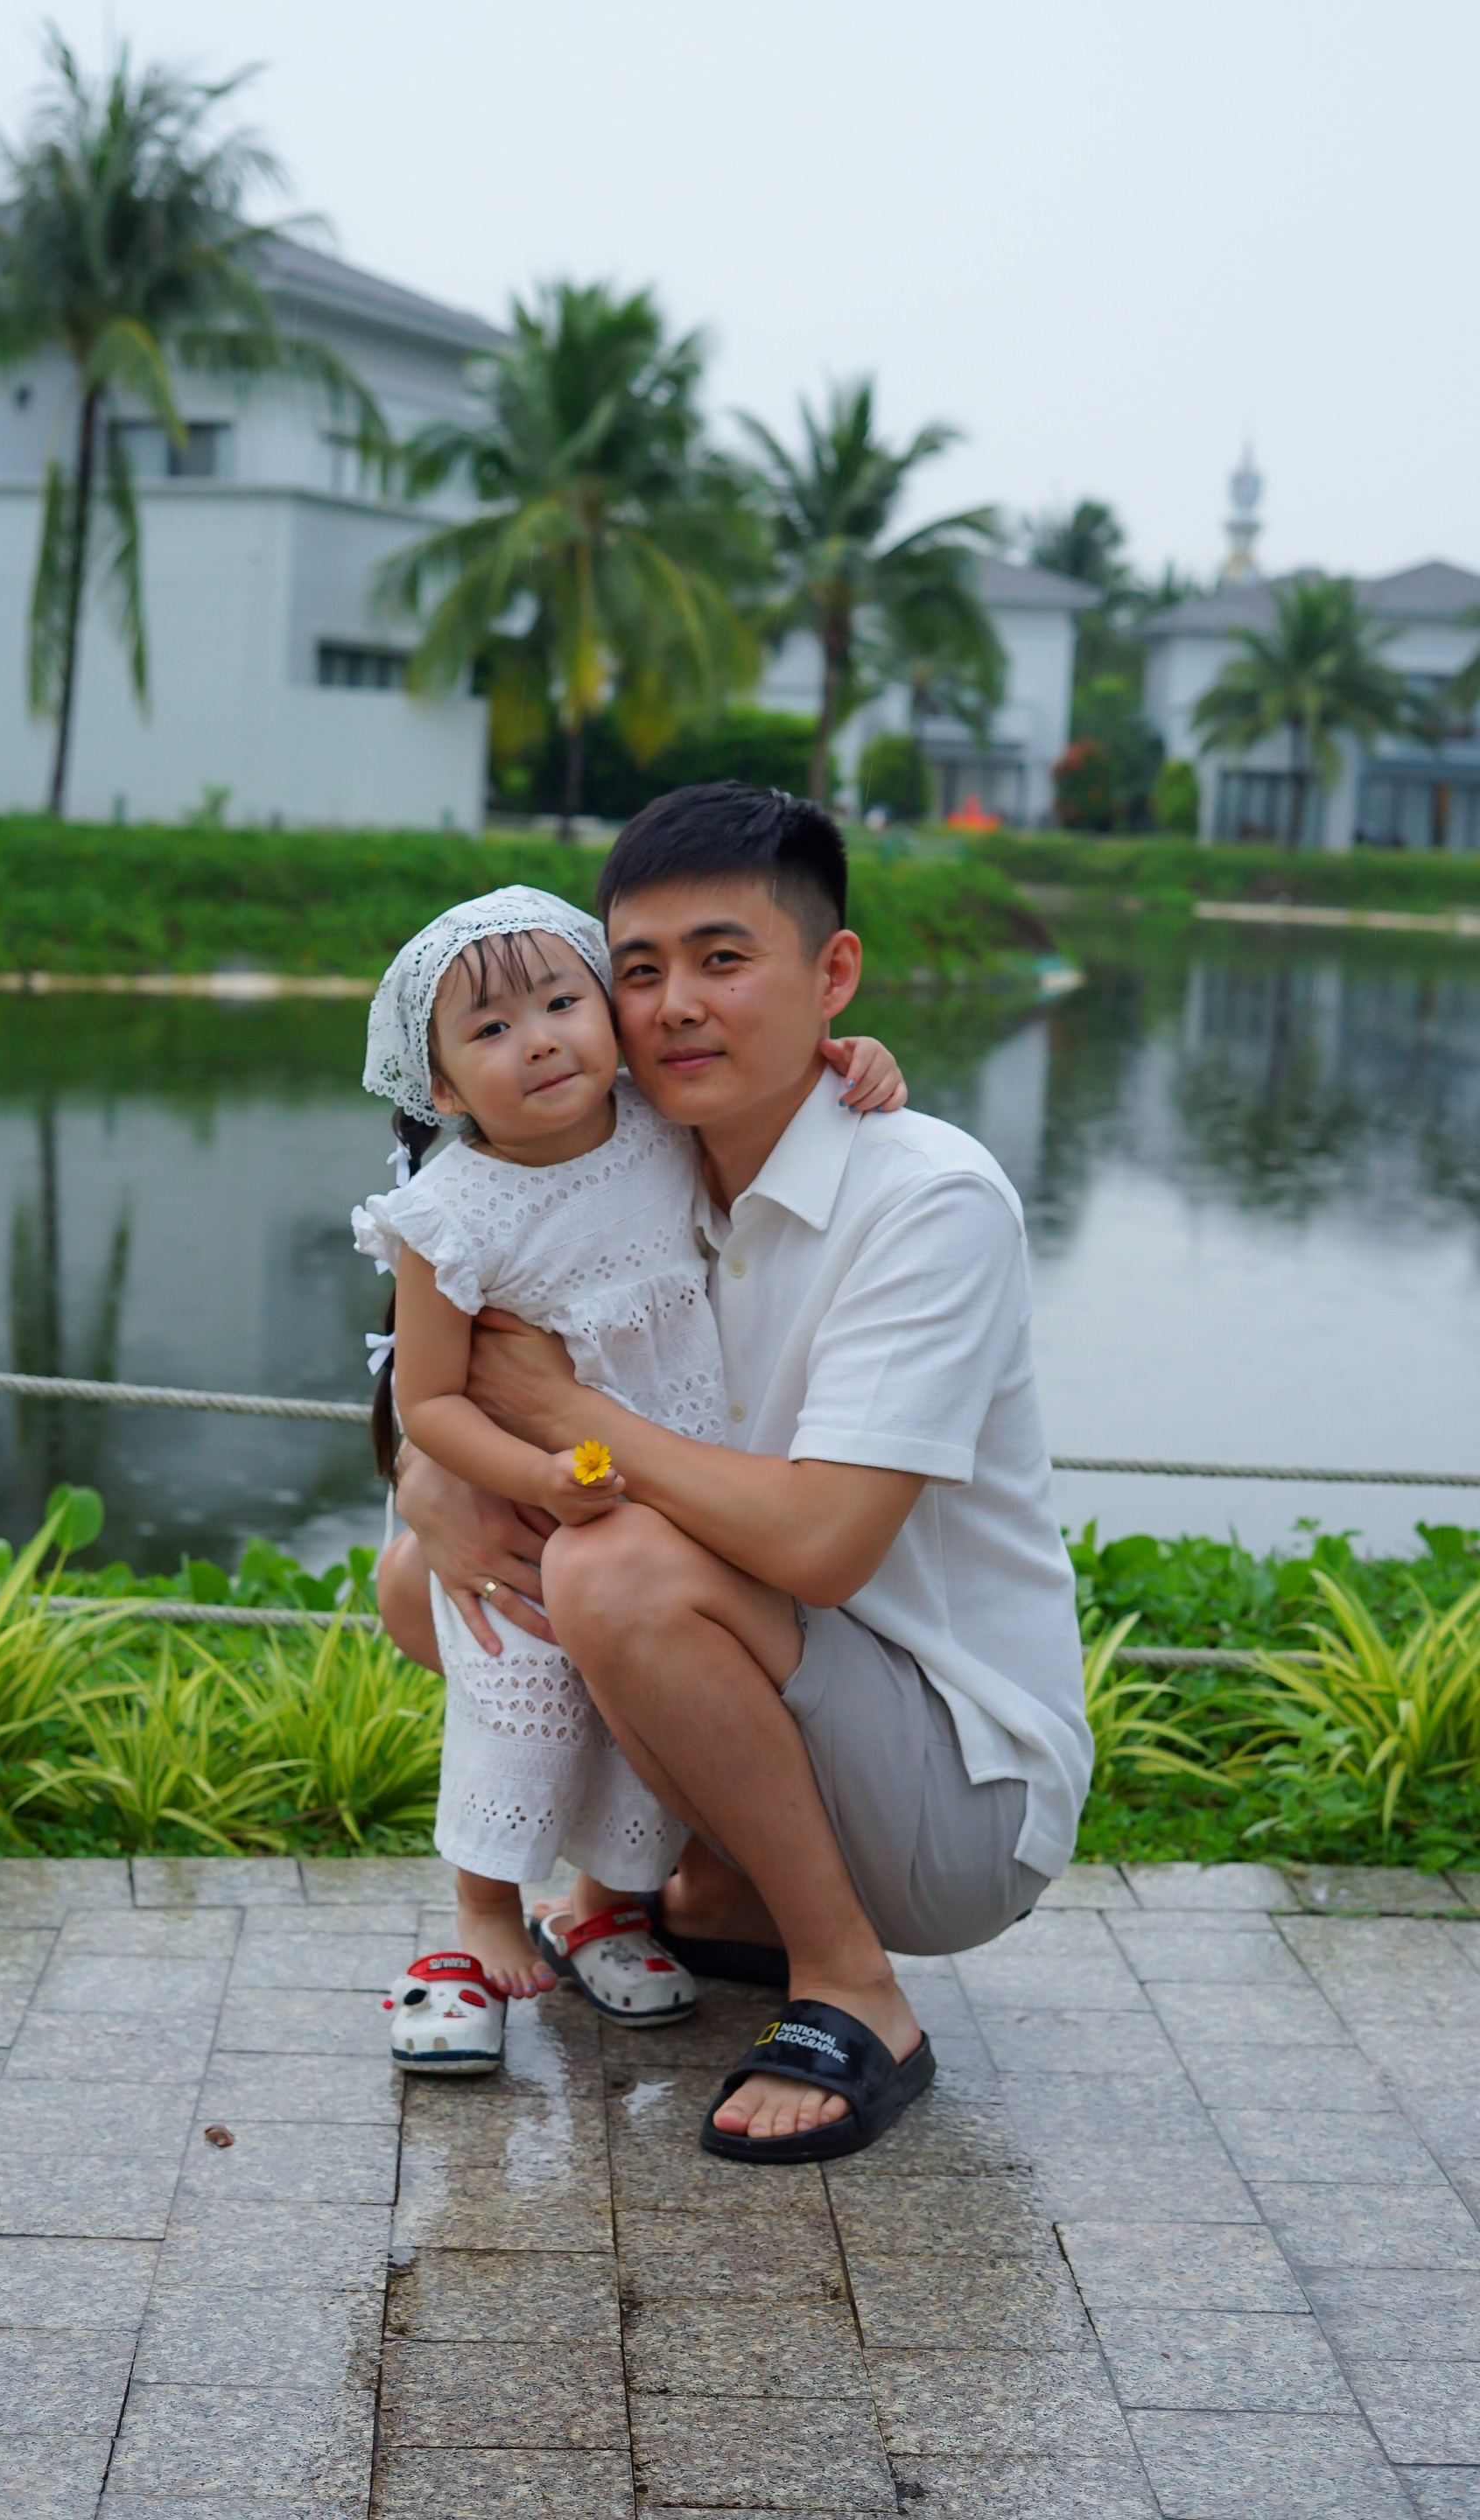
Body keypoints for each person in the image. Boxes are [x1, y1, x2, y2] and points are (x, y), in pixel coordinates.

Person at [378, 785, 1091, 2159]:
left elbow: (821, 1548)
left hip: (954, 1790)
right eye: (639, 971)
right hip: (793, 1697)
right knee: (429, 1577)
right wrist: (428, 1474)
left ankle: (853, 1986)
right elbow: (449, 1369)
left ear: (833, 974)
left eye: (724, 959)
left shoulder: (926, 1198)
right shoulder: (636, 1163)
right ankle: (705, 1896)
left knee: (611, 1569)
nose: (676, 1007)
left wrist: (570, 1413)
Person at [354, 883, 908, 2073]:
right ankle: (482, 1915)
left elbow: (769, 1098)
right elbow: (429, 1400)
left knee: (634, 1705)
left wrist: (847, 1059)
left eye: (564, 1003)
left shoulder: (657, 1126)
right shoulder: (447, 1216)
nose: (539, 1041)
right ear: (441, 1086)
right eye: (491, 1030)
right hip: (536, 1501)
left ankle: (604, 1905)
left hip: (673, 1477)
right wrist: (537, 1472)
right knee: (519, 1691)